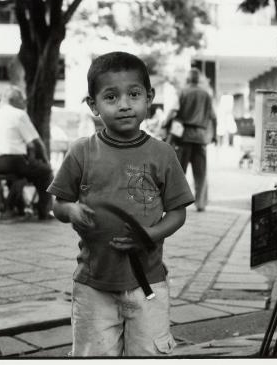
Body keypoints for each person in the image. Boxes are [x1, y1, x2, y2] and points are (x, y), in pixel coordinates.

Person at [47, 51, 195, 356]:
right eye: (111, 97)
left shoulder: (163, 154)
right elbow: (58, 205)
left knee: (148, 353)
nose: (125, 104)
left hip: (148, 282)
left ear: (149, 97)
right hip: (93, 283)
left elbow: (177, 213)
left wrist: (151, 234)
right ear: (93, 105)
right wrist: (71, 210)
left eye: (134, 94)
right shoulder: (81, 152)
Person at [0, 86, 54, 220]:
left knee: (20, 175)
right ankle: (43, 211)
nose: (25, 102)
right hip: (11, 161)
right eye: (22, 99)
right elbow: (37, 143)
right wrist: (46, 162)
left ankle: (17, 208)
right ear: (13, 100)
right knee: (45, 172)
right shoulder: (19, 114)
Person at [165, 68, 217, 212]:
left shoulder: (183, 92)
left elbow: (173, 111)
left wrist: (165, 124)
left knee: (180, 172)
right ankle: (200, 203)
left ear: (187, 79)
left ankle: (177, 202)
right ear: (199, 80)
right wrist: (214, 135)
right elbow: (213, 117)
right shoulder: (206, 94)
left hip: (184, 137)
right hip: (201, 137)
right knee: (201, 173)